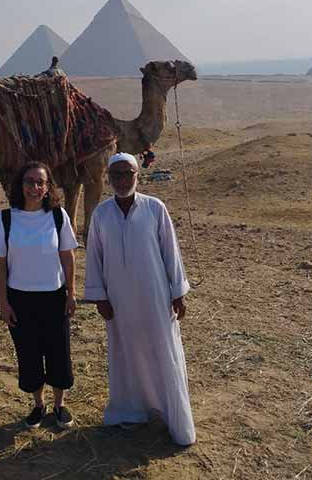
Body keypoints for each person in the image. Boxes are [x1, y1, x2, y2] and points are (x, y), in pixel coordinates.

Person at [84, 152, 196, 446]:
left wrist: (177, 293)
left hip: (154, 295)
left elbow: (171, 253)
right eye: (116, 175)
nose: (122, 180)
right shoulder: (101, 214)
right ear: (108, 178)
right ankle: (129, 411)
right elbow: (94, 258)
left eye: (127, 174)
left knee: (162, 349)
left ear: (138, 175)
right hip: (118, 301)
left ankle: (173, 417)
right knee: (125, 352)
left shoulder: (155, 208)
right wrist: (99, 297)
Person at [0, 161, 79, 429]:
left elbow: (68, 255)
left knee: (58, 352)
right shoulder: (5, 219)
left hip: (54, 296)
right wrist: (3, 302)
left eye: (40, 182)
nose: (35, 187)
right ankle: (38, 405)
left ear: (47, 187)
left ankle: (59, 405)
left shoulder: (57, 216)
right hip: (20, 299)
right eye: (29, 181)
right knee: (28, 354)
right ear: (20, 185)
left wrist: (71, 292)